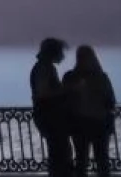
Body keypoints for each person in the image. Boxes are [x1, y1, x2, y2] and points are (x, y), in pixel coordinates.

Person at [63, 45, 116, 177]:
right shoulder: (101, 77)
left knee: (84, 160)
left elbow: (64, 99)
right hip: (95, 122)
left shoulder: (70, 77)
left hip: (84, 123)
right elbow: (111, 101)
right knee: (100, 160)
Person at [31, 37, 73, 177]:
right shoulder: (44, 68)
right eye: (60, 52)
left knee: (60, 152)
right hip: (50, 118)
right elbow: (43, 93)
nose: (63, 55)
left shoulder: (45, 67)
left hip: (49, 117)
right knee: (60, 153)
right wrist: (66, 90)